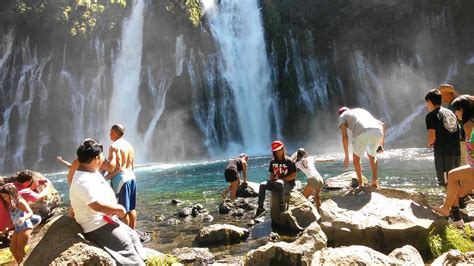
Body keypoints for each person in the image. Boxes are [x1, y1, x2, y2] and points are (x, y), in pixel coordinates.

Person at [69, 138, 146, 265]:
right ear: (95, 159)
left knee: (133, 236)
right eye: (102, 155)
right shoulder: (82, 180)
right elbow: (96, 205)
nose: (104, 158)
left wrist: (114, 172)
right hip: (98, 225)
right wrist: (119, 209)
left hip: (107, 220)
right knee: (126, 247)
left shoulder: (90, 171)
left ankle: (143, 260)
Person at [431, 94, 474, 226]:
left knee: (452, 175)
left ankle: (446, 209)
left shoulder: (468, 125)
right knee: (458, 183)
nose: (455, 113)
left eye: (456, 110)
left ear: (462, 109)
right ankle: (456, 216)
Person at [338, 107, 385, 188]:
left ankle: (360, 184)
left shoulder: (342, 116)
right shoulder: (360, 111)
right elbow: (382, 124)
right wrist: (381, 144)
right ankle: (374, 180)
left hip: (361, 132)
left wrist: (346, 156)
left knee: (356, 158)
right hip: (378, 131)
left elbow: (345, 136)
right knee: (372, 155)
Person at [424, 89, 461, 187]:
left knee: (446, 181)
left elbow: (432, 137)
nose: (426, 105)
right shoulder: (451, 113)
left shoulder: (431, 115)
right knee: (456, 178)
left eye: (426, 103)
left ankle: (453, 202)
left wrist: (429, 143)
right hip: (456, 151)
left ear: (429, 101)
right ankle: (456, 201)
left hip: (443, 152)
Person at [104, 124, 138, 229]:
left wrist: (103, 178)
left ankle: (127, 235)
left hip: (121, 180)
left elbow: (114, 167)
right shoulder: (129, 146)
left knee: (122, 210)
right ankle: (133, 232)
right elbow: (132, 165)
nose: (109, 134)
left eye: (110, 132)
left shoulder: (114, 146)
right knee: (131, 208)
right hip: (132, 177)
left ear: (115, 132)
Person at [254, 141, 297, 218]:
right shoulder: (273, 161)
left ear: (283, 149)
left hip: (288, 185)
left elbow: (294, 175)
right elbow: (271, 174)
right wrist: (271, 182)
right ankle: (260, 208)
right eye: (276, 151)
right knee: (262, 184)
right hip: (277, 183)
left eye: (280, 150)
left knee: (279, 182)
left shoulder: (289, 161)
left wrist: (282, 179)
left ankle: (282, 205)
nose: (278, 152)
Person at [0, 184, 41, 264]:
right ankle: (20, 263)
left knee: (20, 250)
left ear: (12, 194)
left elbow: (30, 212)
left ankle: (26, 263)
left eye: (5, 196)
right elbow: (11, 219)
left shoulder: (20, 202)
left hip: (25, 226)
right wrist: (6, 229)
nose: (5, 199)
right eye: (3, 197)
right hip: (18, 228)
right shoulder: (11, 204)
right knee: (12, 249)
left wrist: (24, 218)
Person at [439, 84, 467, 166]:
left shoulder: (453, 105)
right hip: (465, 137)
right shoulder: (457, 102)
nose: (440, 97)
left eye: (441, 95)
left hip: (462, 140)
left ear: (447, 94)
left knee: (462, 163)